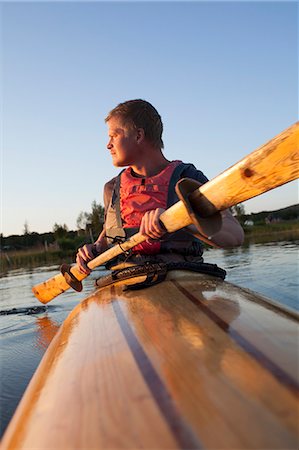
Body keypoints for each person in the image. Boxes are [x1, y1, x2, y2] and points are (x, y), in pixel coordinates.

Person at [76, 99, 244, 274]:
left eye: (114, 136)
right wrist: (93, 250)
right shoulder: (112, 189)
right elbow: (108, 238)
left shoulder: (186, 178)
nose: (108, 144)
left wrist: (178, 220)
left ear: (138, 136)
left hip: (181, 276)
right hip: (126, 280)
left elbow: (235, 235)